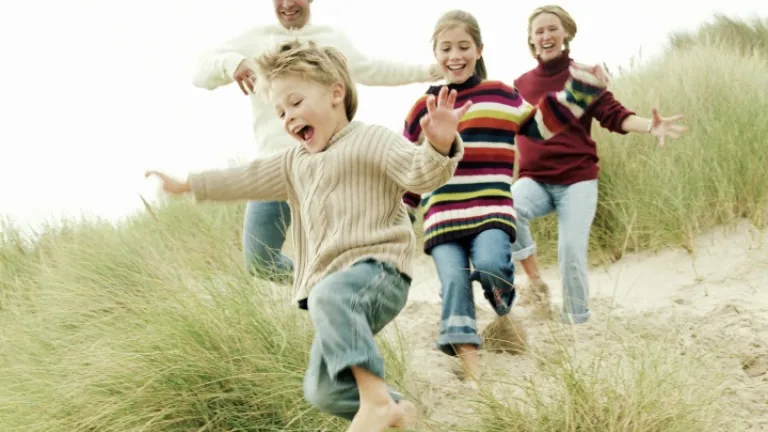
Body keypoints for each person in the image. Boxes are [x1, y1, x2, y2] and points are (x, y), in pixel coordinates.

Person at [149, 39, 468, 432]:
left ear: (336, 92)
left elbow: (421, 175)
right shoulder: (293, 163)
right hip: (334, 290)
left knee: (329, 294)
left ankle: (375, 403)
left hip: (379, 271)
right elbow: (244, 178)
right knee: (323, 389)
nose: (287, 117)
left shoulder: (372, 139)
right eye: (280, 111)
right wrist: (187, 184)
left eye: (296, 103)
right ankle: (399, 410)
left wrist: (438, 144)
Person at [401, 9, 611, 379]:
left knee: (491, 267)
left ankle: (503, 313)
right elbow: (409, 169)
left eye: (464, 46)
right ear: (435, 54)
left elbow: (541, 126)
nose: (455, 56)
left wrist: (580, 92)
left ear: (479, 49)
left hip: (492, 210)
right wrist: (403, 214)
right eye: (446, 48)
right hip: (442, 216)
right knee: (453, 281)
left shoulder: (500, 94)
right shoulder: (423, 108)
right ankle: (473, 368)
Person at [192, 0, 442, 283]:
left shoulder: (330, 39)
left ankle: (342, 301)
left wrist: (429, 71)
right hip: (275, 169)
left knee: (338, 253)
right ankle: (317, 288)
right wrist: (231, 63)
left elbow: (372, 70)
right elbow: (199, 74)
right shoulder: (254, 40)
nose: (287, 4)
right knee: (259, 262)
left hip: (326, 168)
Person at [510, 4, 688, 324]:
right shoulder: (520, 85)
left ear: (566, 33)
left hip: (577, 181)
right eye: (539, 31)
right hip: (534, 179)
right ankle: (535, 280)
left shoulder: (585, 78)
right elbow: (505, 126)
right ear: (531, 39)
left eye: (553, 28)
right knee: (506, 208)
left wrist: (651, 125)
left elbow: (615, 116)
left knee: (570, 252)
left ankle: (576, 320)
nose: (546, 35)